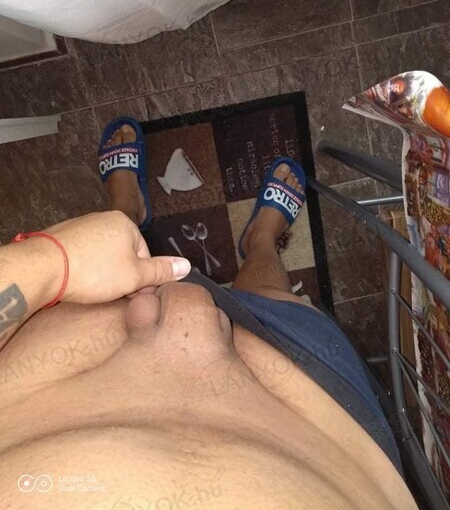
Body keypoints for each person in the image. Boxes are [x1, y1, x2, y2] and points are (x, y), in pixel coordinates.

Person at [0, 120, 418, 510]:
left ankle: (125, 212)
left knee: (105, 259)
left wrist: (53, 262)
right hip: (319, 412)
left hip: (69, 337)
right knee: (268, 295)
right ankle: (261, 241)